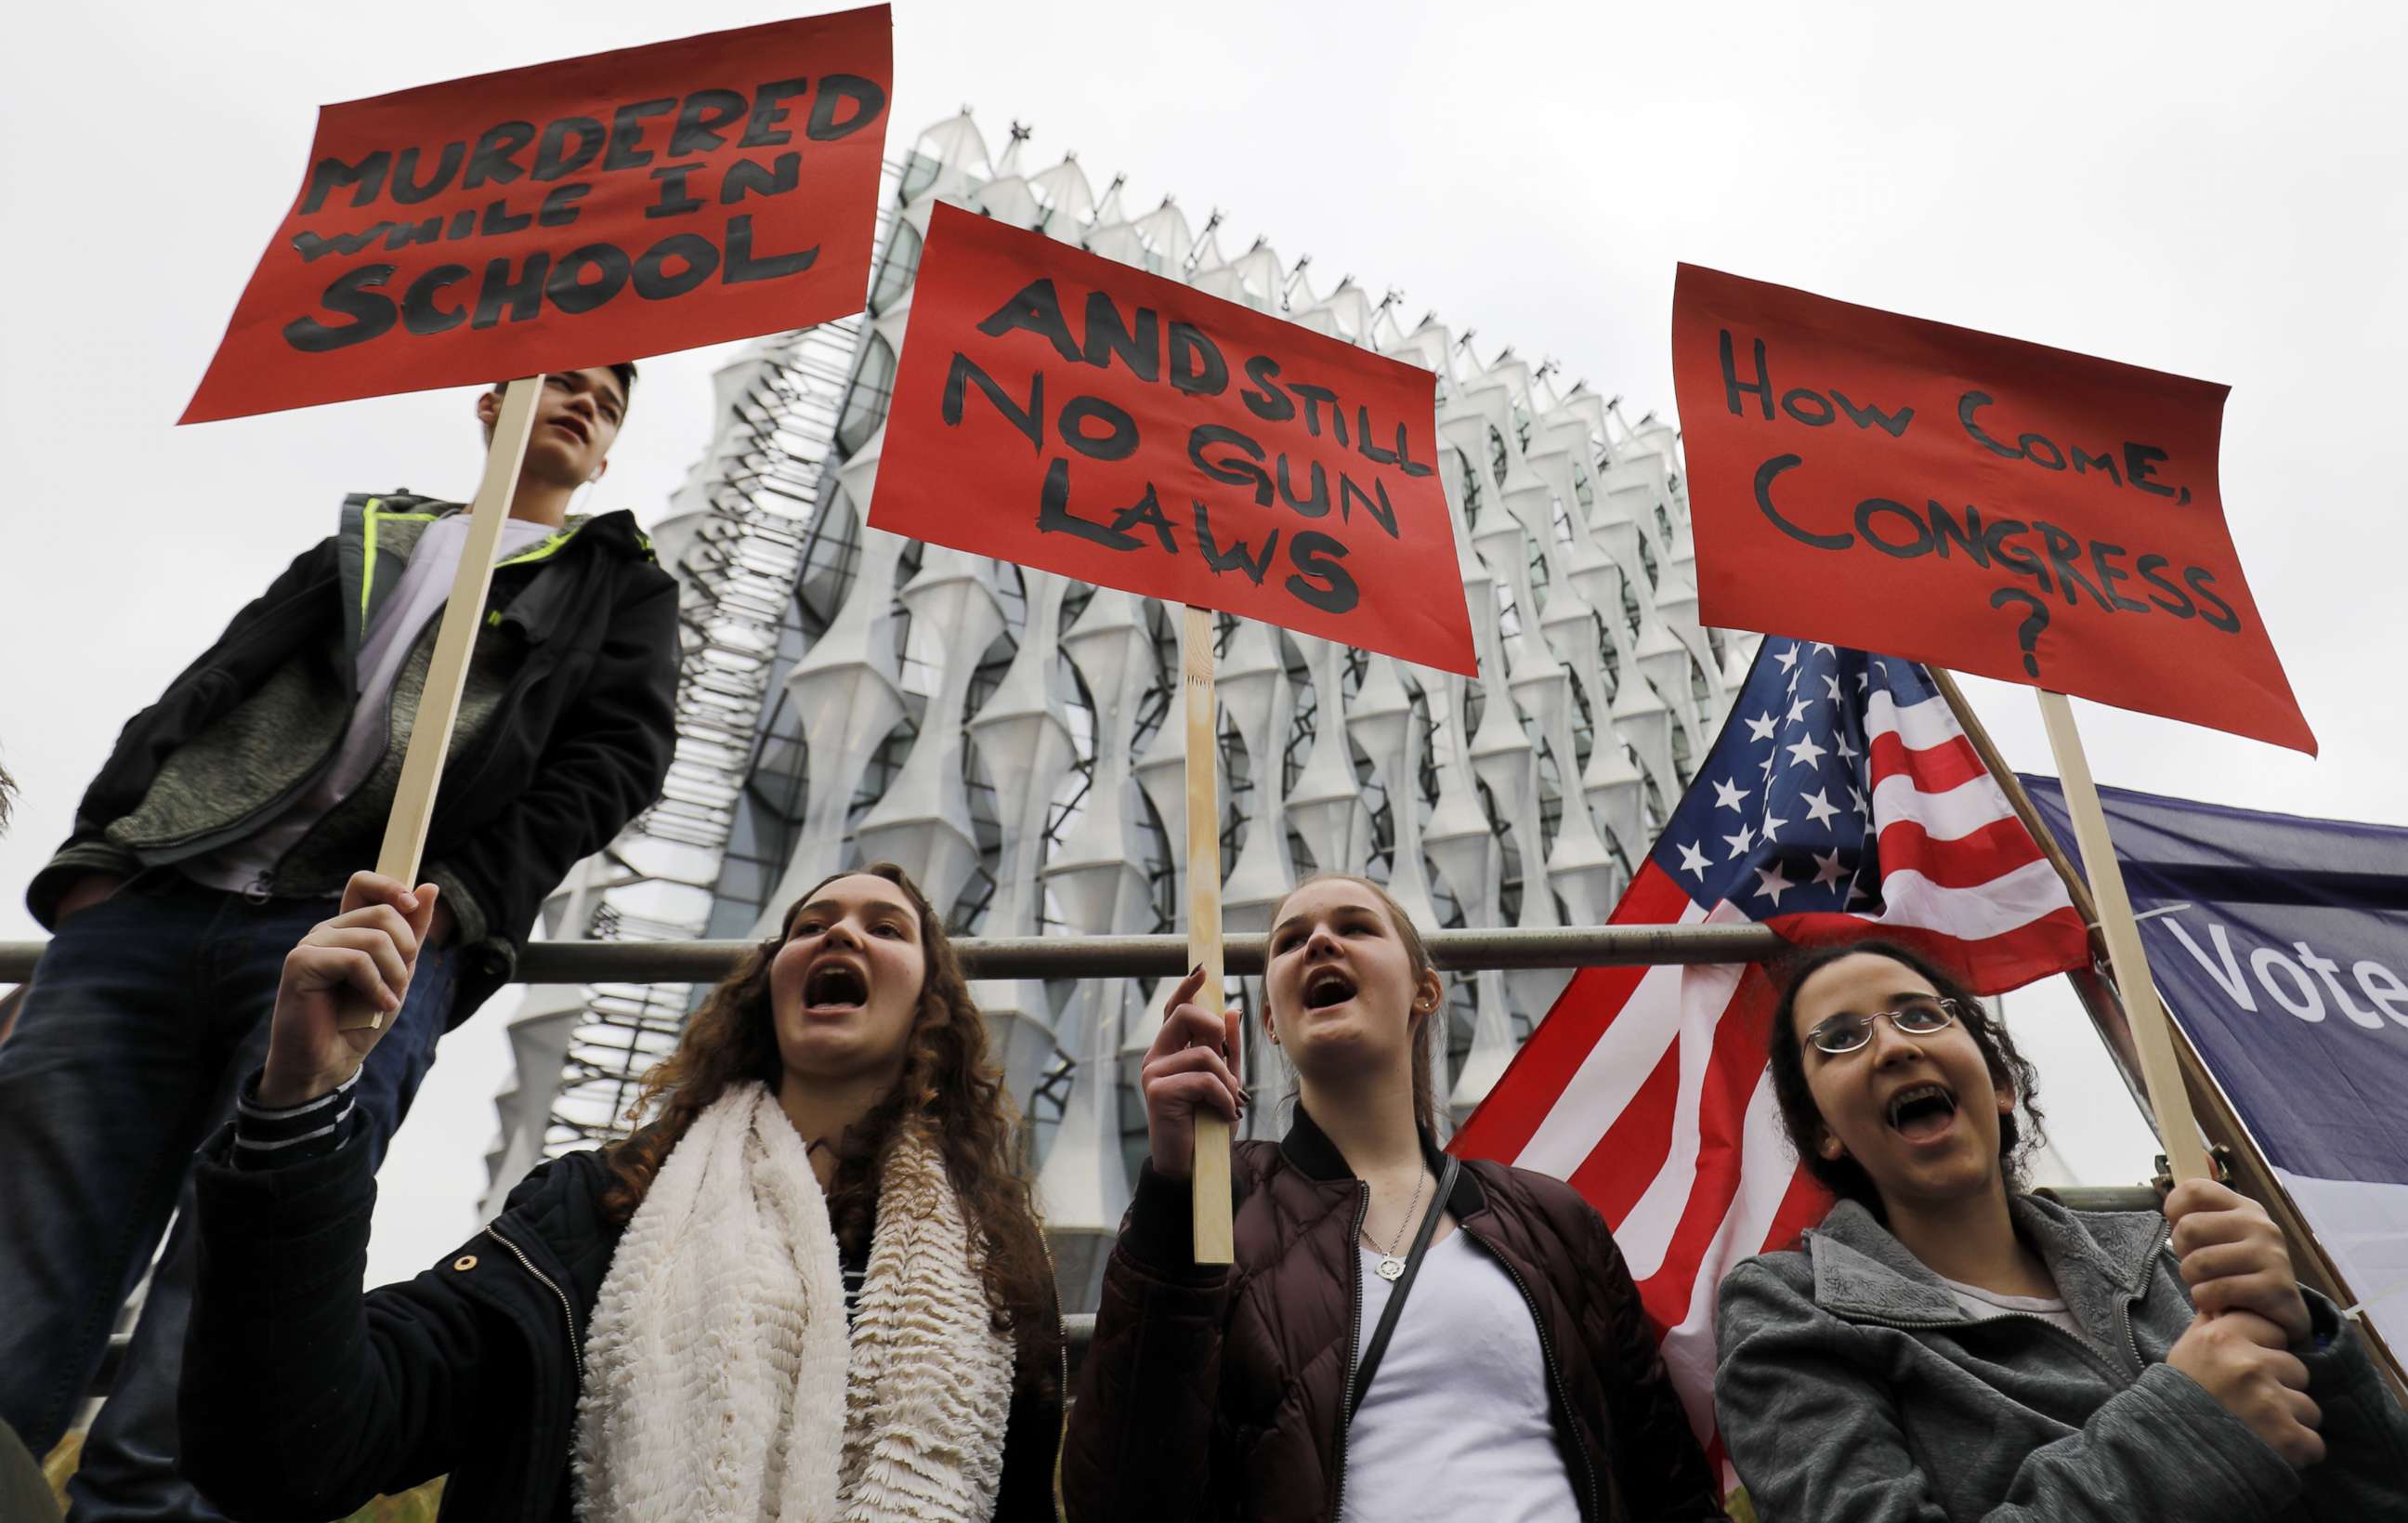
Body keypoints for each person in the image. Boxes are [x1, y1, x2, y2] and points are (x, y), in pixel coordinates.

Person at [0, 367, 680, 1517]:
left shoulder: (616, 583)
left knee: (236, 1286)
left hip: (364, 931)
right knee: (21, 1244)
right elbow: (208, 687)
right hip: (157, 909)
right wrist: (102, 861)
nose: (579, 403)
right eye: (557, 379)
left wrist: (459, 899)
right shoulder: (373, 538)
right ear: (492, 402)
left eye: (606, 402)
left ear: (610, 452)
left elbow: (614, 764)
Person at [178, 861, 1064, 1521]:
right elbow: (291, 1450)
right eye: (812, 923)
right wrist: (298, 1104)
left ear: (930, 1007)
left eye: (887, 927)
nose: (840, 936)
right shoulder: (591, 1214)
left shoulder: (994, 1276)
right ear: (768, 988)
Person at [1063, 872, 1724, 1523]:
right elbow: (1122, 1493)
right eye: (1290, 941)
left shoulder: (1553, 1221)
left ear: (1425, 992)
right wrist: (1173, 1195)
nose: (1321, 942)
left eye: (1355, 927)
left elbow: (1669, 1484)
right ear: (1268, 1019)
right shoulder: (1214, 1212)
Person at [1715, 939, 2408, 1521]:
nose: (1893, 1046)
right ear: (1825, 1134)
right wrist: (2188, 1429)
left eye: (1921, 1015)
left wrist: (2309, 1341)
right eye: (1839, 1039)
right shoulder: (1790, 1313)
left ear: (1999, 1085)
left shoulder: (2171, 1258)